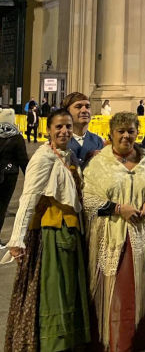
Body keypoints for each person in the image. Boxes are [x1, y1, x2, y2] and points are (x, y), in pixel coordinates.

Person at [4, 108, 90, 351]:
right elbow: (28, 199)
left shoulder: (68, 155)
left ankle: (67, 341)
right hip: (50, 234)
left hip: (69, 231)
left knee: (67, 291)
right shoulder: (43, 158)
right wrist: (17, 240)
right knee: (54, 293)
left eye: (68, 127)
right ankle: (53, 344)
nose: (64, 131)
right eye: (58, 127)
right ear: (49, 129)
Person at [83, 111, 145, 352]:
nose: (126, 136)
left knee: (141, 294)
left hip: (144, 239)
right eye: (120, 131)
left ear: (137, 132)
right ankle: (116, 344)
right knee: (116, 295)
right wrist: (118, 208)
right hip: (112, 240)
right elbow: (88, 199)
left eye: (131, 130)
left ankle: (137, 340)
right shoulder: (99, 163)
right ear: (110, 134)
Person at [0, 109, 29, 246]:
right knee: (2, 207)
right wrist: (30, 177)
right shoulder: (16, 137)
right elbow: (23, 160)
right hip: (9, 175)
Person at [63, 91, 104, 166]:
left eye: (88, 107)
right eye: (78, 107)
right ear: (67, 113)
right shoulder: (59, 142)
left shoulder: (98, 141)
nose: (85, 110)